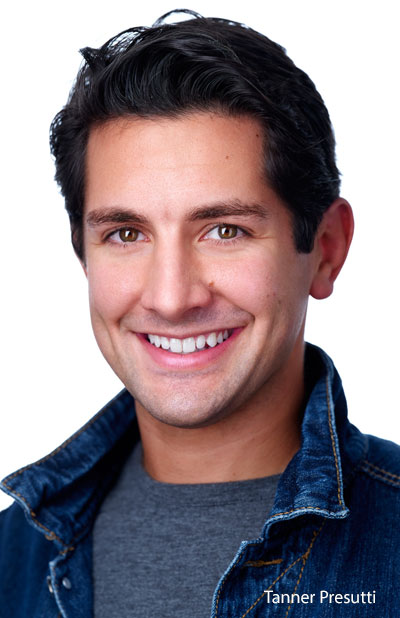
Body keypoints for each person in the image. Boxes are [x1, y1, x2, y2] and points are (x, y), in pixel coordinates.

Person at [0, 9, 399, 617]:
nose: (171, 297)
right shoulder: (9, 562)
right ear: (83, 253)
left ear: (325, 249)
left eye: (225, 230)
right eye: (126, 234)